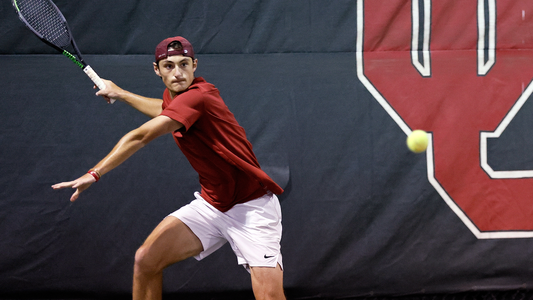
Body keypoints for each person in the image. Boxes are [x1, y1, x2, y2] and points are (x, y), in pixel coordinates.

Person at [52, 36, 286, 300]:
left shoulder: (200, 96)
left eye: (184, 64)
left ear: (195, 65)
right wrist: (122, 93)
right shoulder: (175, 99)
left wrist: (93, 174)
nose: (177, 73)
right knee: (146, 260)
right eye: (169, 66)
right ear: (157, 70)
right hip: (212, 206)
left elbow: (140, 137)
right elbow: (163, 108)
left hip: (251, 208)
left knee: (270, 297)